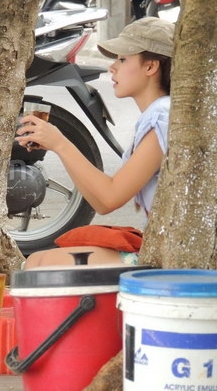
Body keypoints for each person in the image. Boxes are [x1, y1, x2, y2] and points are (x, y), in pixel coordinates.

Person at [16, 17, 174, 268]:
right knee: (38, 261)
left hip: (169, 257)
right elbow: (101, 202)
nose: (113, 67)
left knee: (39, 264)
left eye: (123, 59)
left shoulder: (162, 116)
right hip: (161, 245)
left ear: (151, 67)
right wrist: (59, 144)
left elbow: (110, 197)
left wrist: (61, 144)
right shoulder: (160, 114)